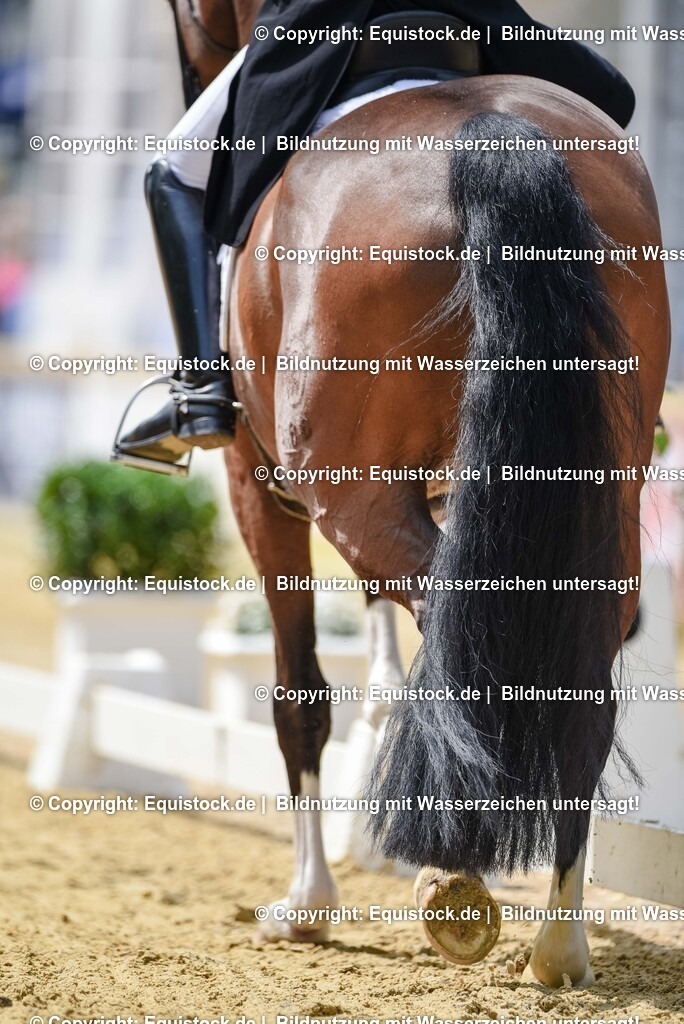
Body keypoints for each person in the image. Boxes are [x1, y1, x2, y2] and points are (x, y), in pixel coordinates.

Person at [112, 0, 635, 473]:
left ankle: (202, 391)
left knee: (173, 172)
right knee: (605, 106)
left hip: (326, 29)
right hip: (472, 21)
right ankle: (621, 385)